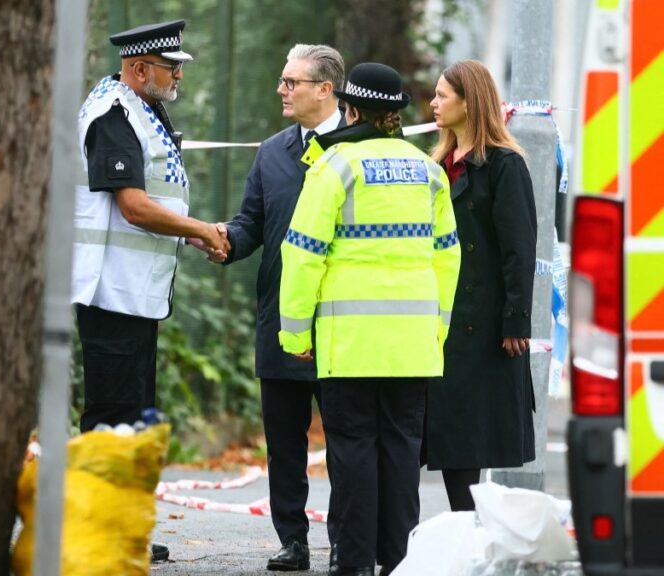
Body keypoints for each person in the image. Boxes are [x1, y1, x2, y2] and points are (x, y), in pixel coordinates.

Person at [278, 63, 461, 576]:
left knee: (354, 450)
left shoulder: (335, 166)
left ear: (351, 109)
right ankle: (398, 561)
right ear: (397, 112)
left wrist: (294, 333)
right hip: (412, 344)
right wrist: (437, 328)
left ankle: (354, 563)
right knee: (402, 451)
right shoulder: (429, 171)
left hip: (351, 342)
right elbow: (448, 257)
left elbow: (303, 254)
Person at [72, 19, 228, 563]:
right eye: (171, 67)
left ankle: (123, 530)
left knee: (132, 415)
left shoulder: (143, 110)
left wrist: (196, 231)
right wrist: (202, 231)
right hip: (111, 290)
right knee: (112, 418)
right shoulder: (114, 116)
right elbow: (133, 206)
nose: (179, 75)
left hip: (136, 292)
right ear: (139, 69)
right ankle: (102, 533)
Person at [217, 43, 347, 572]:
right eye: (281, 80)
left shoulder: (357, 148)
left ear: (325, 88)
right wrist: (221, 238)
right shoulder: (271, 151)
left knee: (346, 441)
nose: (281, 90)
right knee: (284, 441)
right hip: (281, 317)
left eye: (292, 81)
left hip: (344, 319)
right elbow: (252, 224)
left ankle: (346, 541)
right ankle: (292, 540)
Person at [425, 59, 537, 511]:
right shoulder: (436, 165)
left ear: (469, 102)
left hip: (485, 323)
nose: (432, 103)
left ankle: (472, 533)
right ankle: (464, 531)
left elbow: (519, 249)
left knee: (471, 437)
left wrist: (516, 321)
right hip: (441, 318)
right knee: (453, 436)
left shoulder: (505, 166)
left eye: (442, 95)